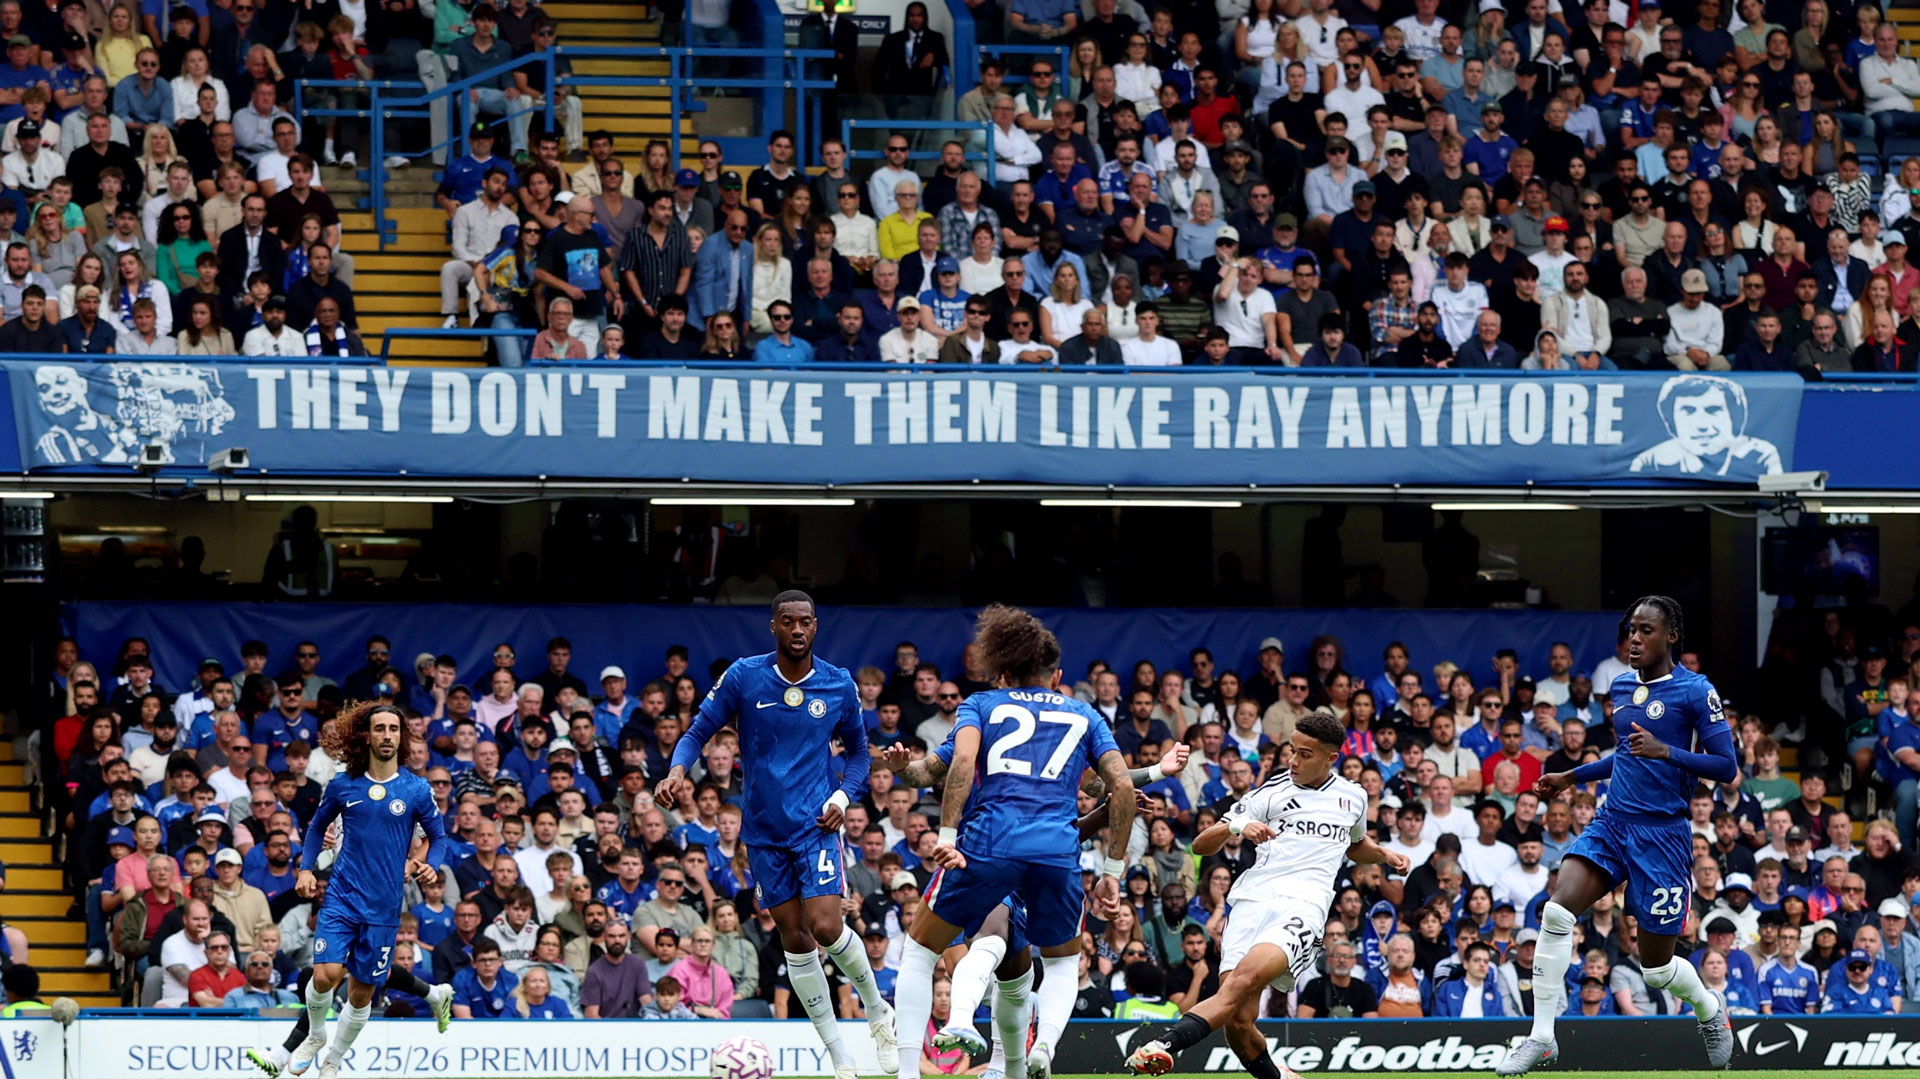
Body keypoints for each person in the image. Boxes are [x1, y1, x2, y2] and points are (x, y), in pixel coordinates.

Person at [652, 592, 896, 1079]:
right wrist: (677, 770)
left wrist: (842, 800)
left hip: (817, 824)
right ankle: (839, 1058)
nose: (798, 630)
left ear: (816, 626)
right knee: (796, 938)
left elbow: (860, 756)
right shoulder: (745, 675)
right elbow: (698, 731)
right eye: (788, 622)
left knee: (826, 926)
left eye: (806, 622)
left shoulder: (838, 683)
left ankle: (876, 1013)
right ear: (774, 627)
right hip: (762, 830)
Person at [1496, 596, 1738, 1076]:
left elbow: (1726, 767)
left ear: (1671, 637)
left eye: (1646, 630)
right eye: (1631, 629)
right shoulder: (1624, 685)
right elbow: (1627, 755)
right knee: (1557, 910)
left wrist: (1667, 751)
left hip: (1663, 836)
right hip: (1613, 823)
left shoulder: (1695, 690)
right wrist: (1572, 775)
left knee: (1657, 968)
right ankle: (1542, 1037)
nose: (1635, 638)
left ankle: (1709, 1007)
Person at [891, 605, 1132, 1079]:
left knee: (919, 952)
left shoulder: (981, 705)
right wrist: (1112, 874)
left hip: (988, 844)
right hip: (1056, 852)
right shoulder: (1084, 714)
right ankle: (1044, 1048)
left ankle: (905, 1072)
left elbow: (958, 766)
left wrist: (945, 834)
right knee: (1063, 965)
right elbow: (1120, 787)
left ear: (1001, 671)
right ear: (1057, 675)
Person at [1127, 711, 1408, 1078]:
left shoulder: (1353, 797)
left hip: (1303, 908)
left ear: (1330, 758)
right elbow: (1200, 844)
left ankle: (1164, 1044)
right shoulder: (1272, 791)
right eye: (1291, 750)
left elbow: (1355, 845)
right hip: (1251, 902)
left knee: (1243, 981)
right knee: (1239, 1020)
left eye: (1305, 754)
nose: (1293, 760)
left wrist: (1384, 854)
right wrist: (1239, 824)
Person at [245, 702, 457, 1078]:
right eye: (380, 728)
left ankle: (334, 1060)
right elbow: (314, 829)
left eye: (394, 729)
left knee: (361, 991)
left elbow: (438, 837)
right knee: (323, 975)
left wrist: (429, 864)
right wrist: (306, 869)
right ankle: (314, 1037)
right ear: (367, 735)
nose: (387, 735)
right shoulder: (344, 784)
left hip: (384, 907)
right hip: (342, 896)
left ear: (401, 737)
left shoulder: (416, 789)